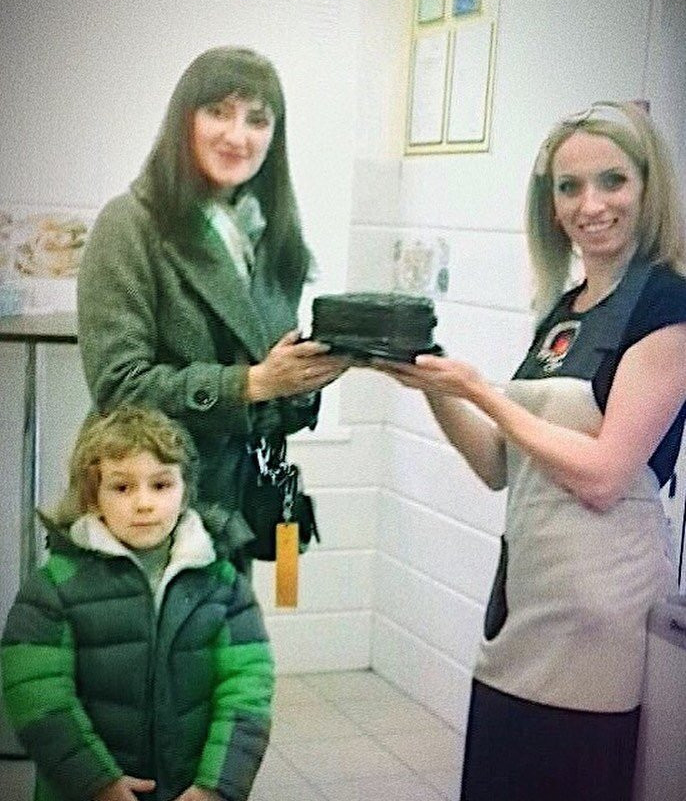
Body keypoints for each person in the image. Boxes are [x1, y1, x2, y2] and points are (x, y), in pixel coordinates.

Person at [375, 101, 686, 800]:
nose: (590, 205)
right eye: (569, 187)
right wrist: (433, 386)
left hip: (597, 618)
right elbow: (499, 467)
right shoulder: (563, 310)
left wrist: (482, 392)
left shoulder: (667, 306)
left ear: (649, 187)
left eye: (613, 181)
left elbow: (605, 476)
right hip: (524, 604)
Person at [77, 46, 348, 567]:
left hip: (232, 513)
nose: (237, 136)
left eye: (257, 120)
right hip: (142, 510)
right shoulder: (130, 225)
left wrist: (304, 381)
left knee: (231, 625)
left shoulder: (272, 237)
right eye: (218, 112)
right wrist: (254, 383)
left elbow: (266, 403)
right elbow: (119, 386)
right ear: (185, 120)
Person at [1, 404, 274, 801]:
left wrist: (216, 786)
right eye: (122, 487)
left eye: (161, 485)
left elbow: (247, 689)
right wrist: (96, 782)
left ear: (184, 493)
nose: (144, 503)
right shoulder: (54, 588)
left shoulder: (223, 584)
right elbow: (37, 696)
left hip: (187, 788)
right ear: (93, 497)